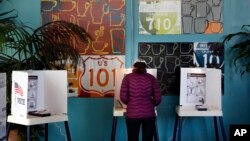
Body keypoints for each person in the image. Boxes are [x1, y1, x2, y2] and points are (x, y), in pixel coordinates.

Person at [120, 59, 162, 141]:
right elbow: (158, 98)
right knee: (148, 138)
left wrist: (131, 103)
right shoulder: (151, 78)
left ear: (134, 66)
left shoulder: (127, 78)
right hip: (149, 114)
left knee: (132, 138)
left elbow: (123, 97)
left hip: (132, 114)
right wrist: (151, 104)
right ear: (145, 67)